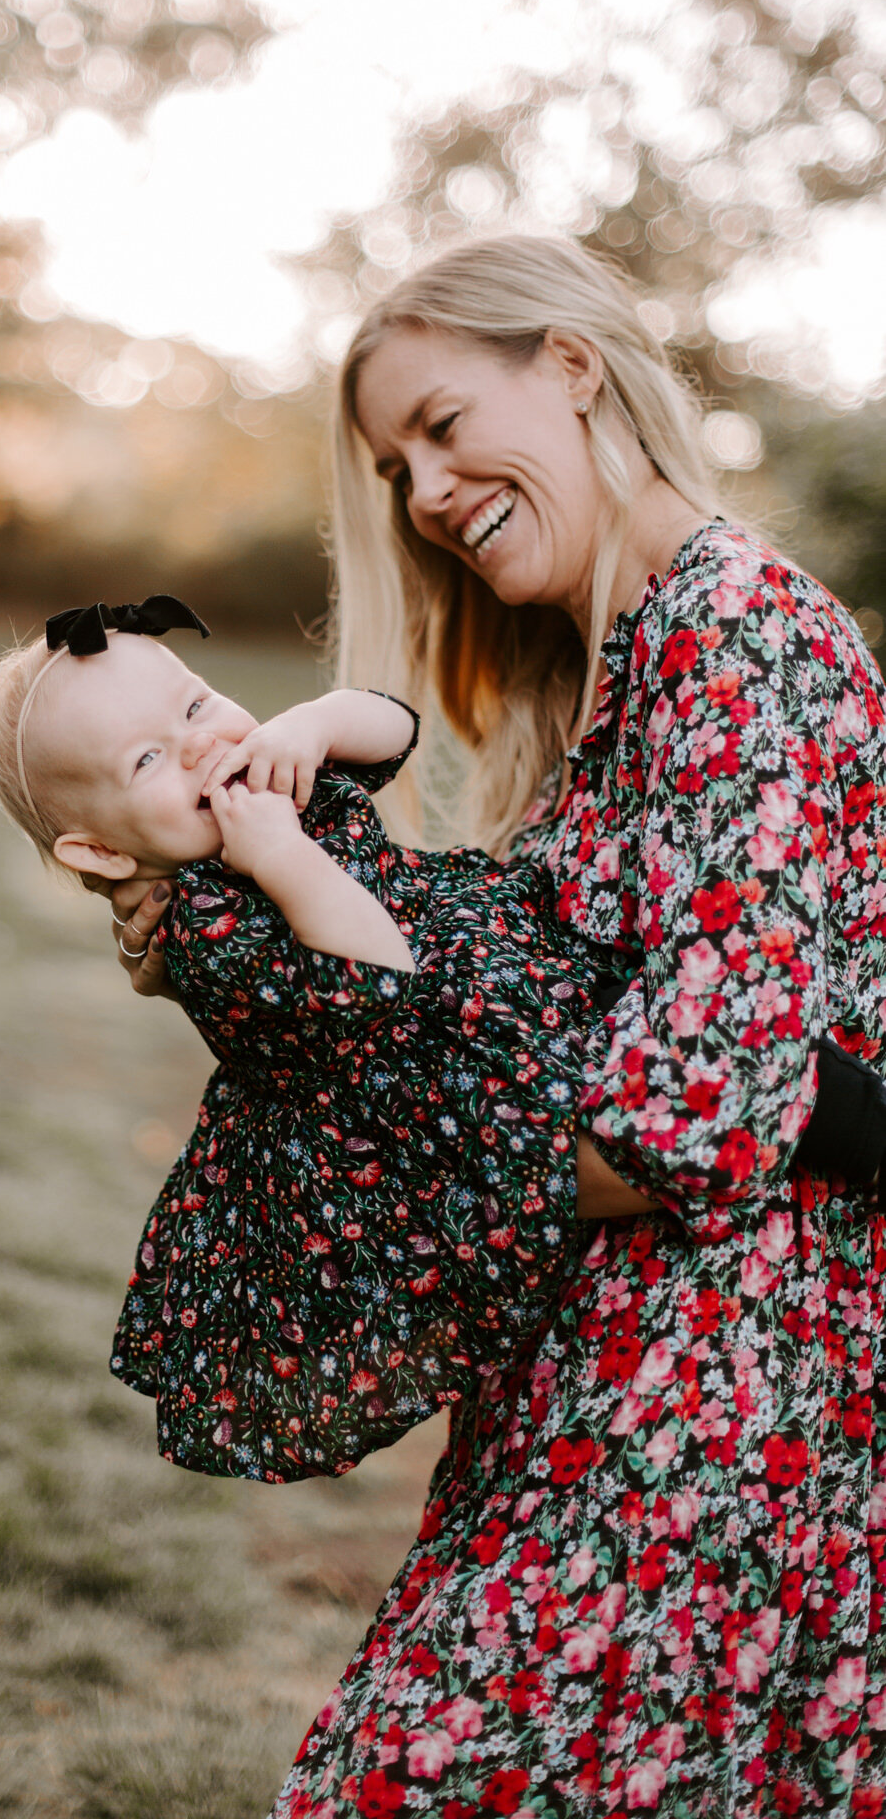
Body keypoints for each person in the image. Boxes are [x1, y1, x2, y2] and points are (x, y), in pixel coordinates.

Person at [111, 236, 886, 1815]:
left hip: (723, 1395)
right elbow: (512, 1000)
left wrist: (382, 1163)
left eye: (447, 424)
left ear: (575, 367)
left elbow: (710, 1105)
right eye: (399, 465)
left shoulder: (742, 632)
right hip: (612, 1366)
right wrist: (234, 931)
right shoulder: (620, 665)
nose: (427, 490)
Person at [0, 598, 607, 1483]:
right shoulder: (206, 930)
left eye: (195, 704)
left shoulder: (264, 782)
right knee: (634, 1128)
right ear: (106, 853)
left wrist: (314, 724)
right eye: (149, 758)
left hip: (475, 992)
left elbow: (392, 732)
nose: (200, 743)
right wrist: (281, 856)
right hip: (425, 1096)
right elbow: (383, 974)